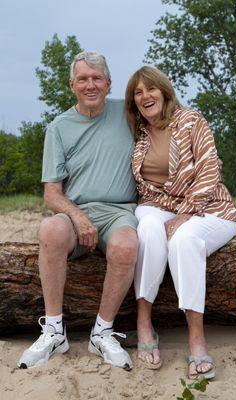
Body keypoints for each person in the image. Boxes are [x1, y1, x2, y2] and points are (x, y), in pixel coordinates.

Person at [18, 51, 138, 370]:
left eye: (97, 78)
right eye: (83, 79)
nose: (90, 85)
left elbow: (167, 119)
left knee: (127, 245)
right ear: (72, 85)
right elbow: (51, 194)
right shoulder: (58, 127)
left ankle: (102, 333)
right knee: (50, 230)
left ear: (109, 83)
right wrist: (78, 216)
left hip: (119, 211)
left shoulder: (128, 113)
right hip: (76, 210)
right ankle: (55, 331)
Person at [125, 66, 236, 378]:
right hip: (157, 205)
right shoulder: (137, 131)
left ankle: (196, 338)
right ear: (133, 101)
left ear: (164, 91)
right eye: (138, 92)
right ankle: (144, 321)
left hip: (209, 207)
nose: (145, 96)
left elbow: (209, 169)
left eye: (151, 89)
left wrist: (186, 212)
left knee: (184, 239)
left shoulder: (191, 120)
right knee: (148, 228)